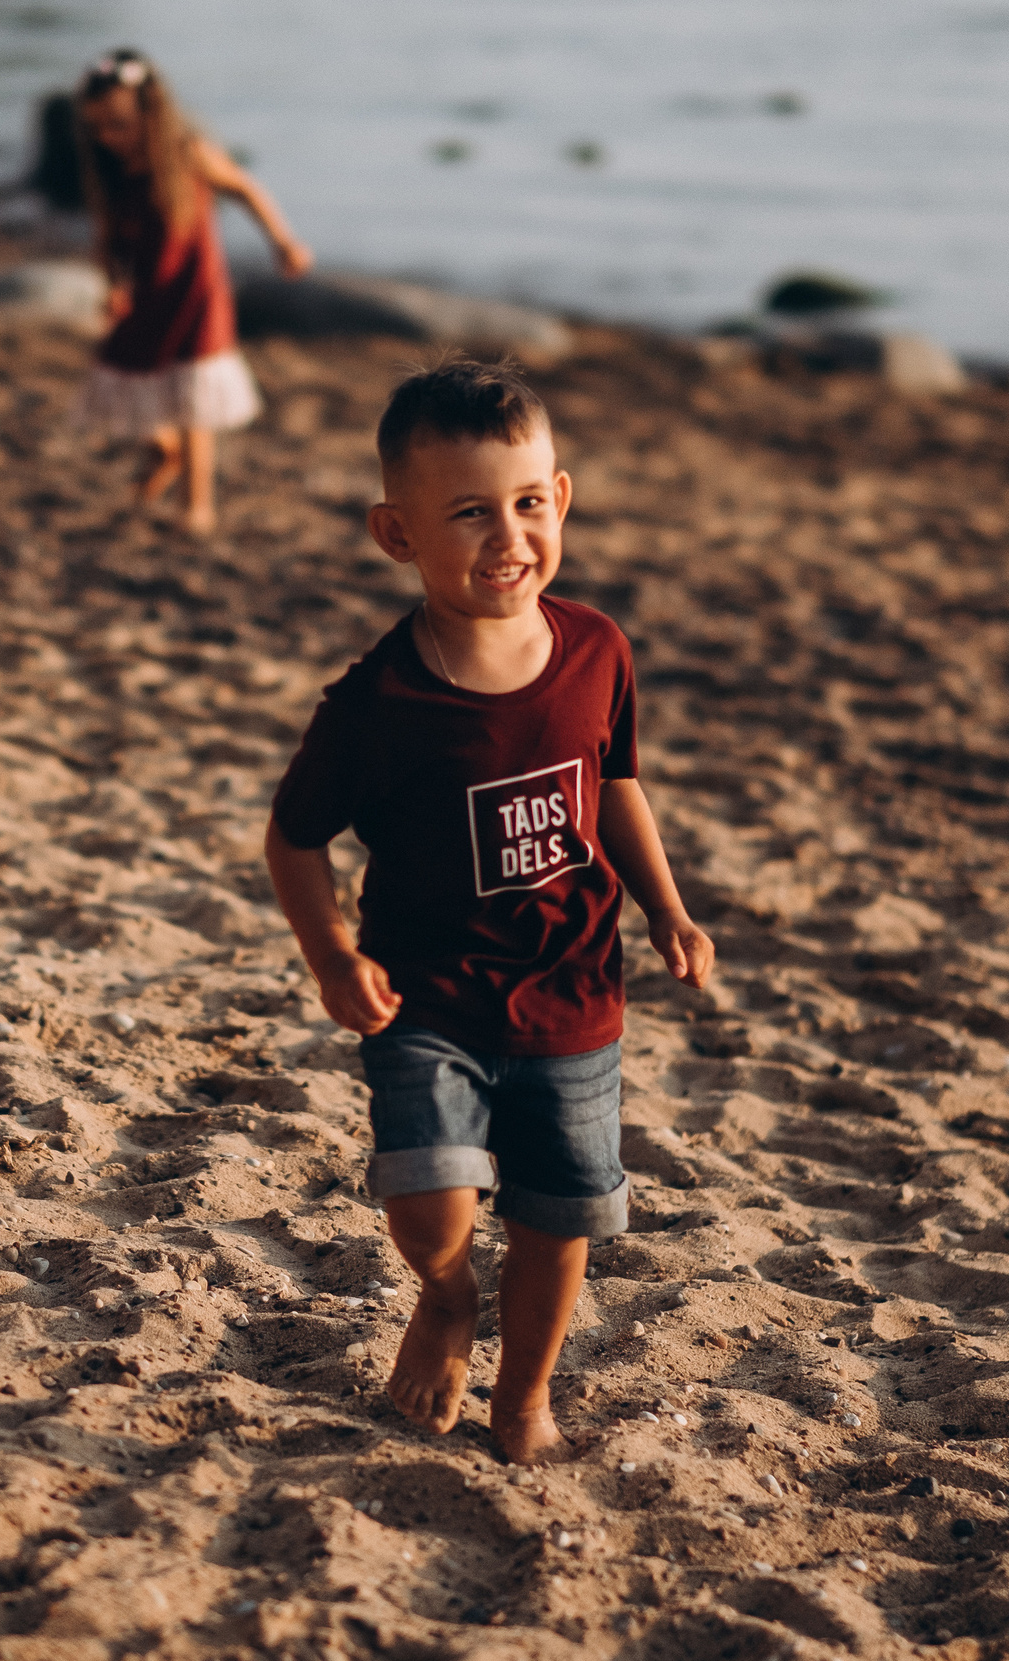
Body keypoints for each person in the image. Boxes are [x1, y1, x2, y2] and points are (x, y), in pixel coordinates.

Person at [263, 359, 715, 1464]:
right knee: (433, 1206)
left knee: (560, 1217)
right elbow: (294, 838)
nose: (506, 536)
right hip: (428, 997)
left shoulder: (597, 649)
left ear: (558, 500)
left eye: (524, 504)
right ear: (397, 534)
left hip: (572, 994)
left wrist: (667, 907)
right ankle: (448, 1295)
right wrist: (331, 956)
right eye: (468, 514)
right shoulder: (377, 704)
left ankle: (524, 1397)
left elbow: (613, 786)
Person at [72, 48, 312, 536]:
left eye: (117, 124)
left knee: (192, 398)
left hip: (195, 293)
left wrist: (282, 240)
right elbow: (108, 241)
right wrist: (113, 286)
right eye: (97, 127)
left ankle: (196, 505)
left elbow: (244, 187)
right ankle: (164, 451)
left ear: (150, 112)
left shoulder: (187, 154)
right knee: (126, 366)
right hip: (145, 294)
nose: (107, 137)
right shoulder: (112, 173)